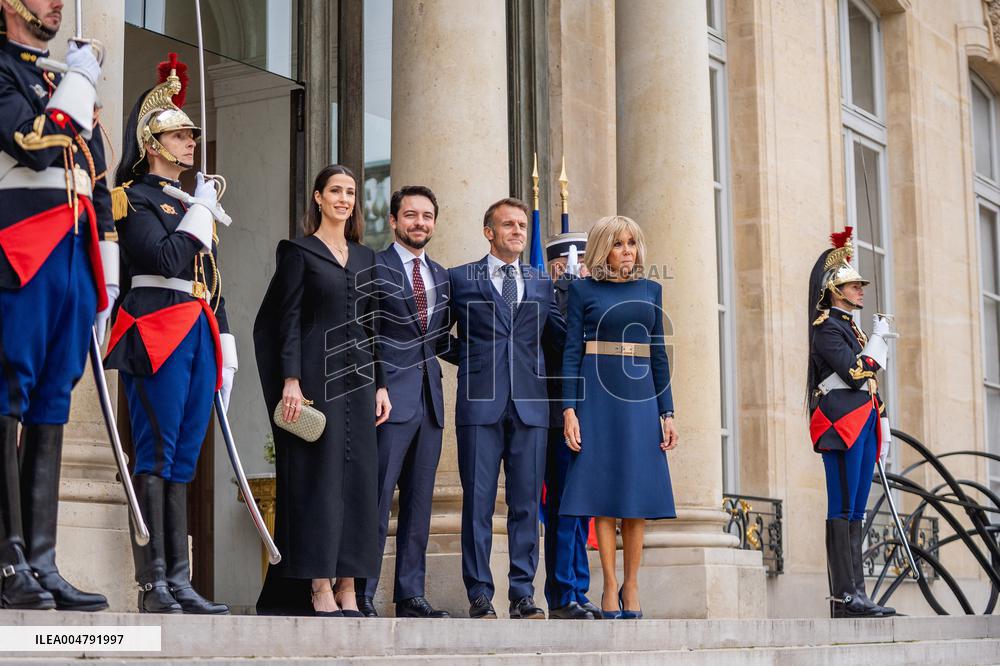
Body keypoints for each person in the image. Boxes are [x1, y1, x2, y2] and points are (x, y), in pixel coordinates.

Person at [105, 53, 234, 615]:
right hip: (155, 326)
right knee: (154, 453)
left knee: (184, 458)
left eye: (190, 135)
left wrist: (223, 338)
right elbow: (161, 255)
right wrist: (199, 214)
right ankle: (153, 580)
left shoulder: (189, 203)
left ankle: (180, 579)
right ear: (154, 143)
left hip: (197, 329)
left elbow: (209, 279)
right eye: (181, 135)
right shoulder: (132, 198)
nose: (190, 143)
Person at [0, 0, 116, 611]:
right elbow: (35, 144)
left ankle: (40, 561)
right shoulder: (3, 71)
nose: (56, 5)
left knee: (51, 400)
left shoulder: (51, 79)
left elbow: (93, 168)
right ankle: (6, 559)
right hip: (18, 248)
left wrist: (109, 267)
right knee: (7, 394)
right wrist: (76, 82)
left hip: (71, 254)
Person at [254, 164, 391, 617]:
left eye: (351, 192)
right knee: (319, 483)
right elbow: (286, 319)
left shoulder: (367, 258)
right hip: (315, 379)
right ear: (318, 197)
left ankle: (349, 585)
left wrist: (382, 386)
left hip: (358, 381)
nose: (345, 199)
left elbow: (375, 328)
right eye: (336, 191)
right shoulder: (298, 252)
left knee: (358, 484)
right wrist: (289, 380)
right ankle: (318, 586)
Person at [446, 197, 565, 620]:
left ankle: (522, 594)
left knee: (526, 504)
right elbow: (438, 335)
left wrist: (581, 290)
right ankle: (479, 593)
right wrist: (476, 360)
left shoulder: (540, 282)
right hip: (479, 406)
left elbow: (558, 339)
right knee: (478, 502)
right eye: (508, 225)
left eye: (522, 225)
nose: (518, 231)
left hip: (532, 407)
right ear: (489, 232)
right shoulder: (460, 279)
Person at [560, 215, 679, 620]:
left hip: (640, 398)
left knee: (636, 498)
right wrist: (570, 409)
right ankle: (608, 584)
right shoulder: (582, 290)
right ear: (602, 249)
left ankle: (632, 585)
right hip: (596, 397)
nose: (627, 250)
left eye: (631, 242)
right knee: (603, 495)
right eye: (618, 244)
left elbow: (659, 355)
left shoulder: (651, 290)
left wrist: (668, 412)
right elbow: (571, 353)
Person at [355, 186, 454, 619]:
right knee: (375, 500)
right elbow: (364, 333)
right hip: (387, 400)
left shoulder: (442, 275)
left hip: (430, 401)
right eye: (411, 215)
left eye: (427, 216)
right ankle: (360, 590)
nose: (420, 223)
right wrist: (375, 384)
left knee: (419, 502)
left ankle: (410, 594)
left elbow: (439, 340)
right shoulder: (373, 266)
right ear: (393, 221)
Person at [806, 227, 896, 619]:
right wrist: (878, 341)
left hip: (862, 421)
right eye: (853, 285)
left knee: (857, 508)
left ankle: (858, 593)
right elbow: (857, 372)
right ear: (834, 290)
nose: (860, 291)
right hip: (840, 425)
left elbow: (871, 384)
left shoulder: (850, 328)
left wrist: (884, 418)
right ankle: (845, 596)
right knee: (842, 506)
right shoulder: (827, 328)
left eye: (860, 285)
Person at [541, 231, 599, 620]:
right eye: (563, 265)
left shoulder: (594, 302)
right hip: (557, 415)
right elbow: (564, 346)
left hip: (593, 413)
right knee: (564, 507)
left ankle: (579, 587)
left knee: (582, 510)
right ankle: (563, 593)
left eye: (577, 264)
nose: (572, 271)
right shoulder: (549, 302)